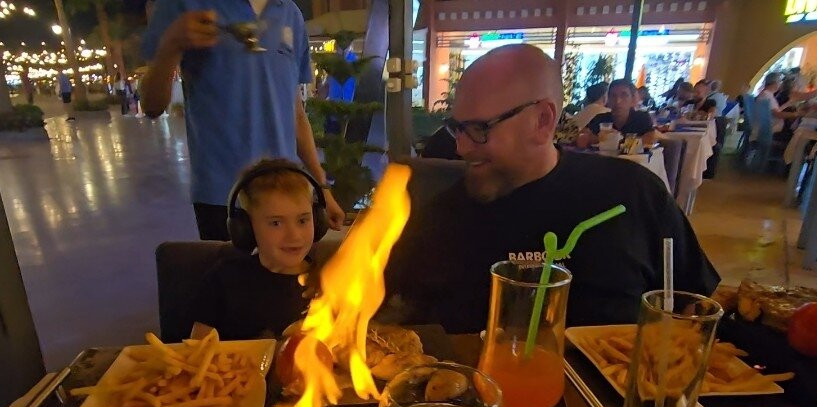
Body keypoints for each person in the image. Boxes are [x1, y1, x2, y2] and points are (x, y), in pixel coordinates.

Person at [384, 45, 719, 334]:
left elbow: (697, 307)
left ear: (543, 120)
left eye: (478, 128)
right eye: (457, 128)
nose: (461, 147)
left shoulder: (633, 193)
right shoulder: (440, 218)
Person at [141, 2, 345, 241]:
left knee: (289, 266)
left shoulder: (290, 13)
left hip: (287, 192)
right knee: (231, 267)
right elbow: (152, 105)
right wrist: (171, 44)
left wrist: (322, 188)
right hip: (223, 198)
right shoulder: (184, 5)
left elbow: (296, 114)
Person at [189, 159, 317, 340]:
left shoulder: (330, 282)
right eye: (276, 223)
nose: (294, 236)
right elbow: (197, 350)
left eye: (303, 220)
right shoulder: (223, 280)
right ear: (246, 227)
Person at [584, 79, 656, 146]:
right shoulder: (600, 119)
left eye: (624, 95)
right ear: (608, 100)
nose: (617, 101)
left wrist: (617, 138)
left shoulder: (642, 118)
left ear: (632, 99)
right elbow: (581, 138)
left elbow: (650, 139)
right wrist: (598, 138)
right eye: (613, 96)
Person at [756, 72, 803, 142]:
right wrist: (796, 114)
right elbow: (778, 114)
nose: (780, 84)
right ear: (774, 83)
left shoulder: (767, 94)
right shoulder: (767, 96)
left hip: (770, 128)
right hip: (771, 131)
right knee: (799, 133)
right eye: (780, 81)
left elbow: (774, 111)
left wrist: (787, 104)